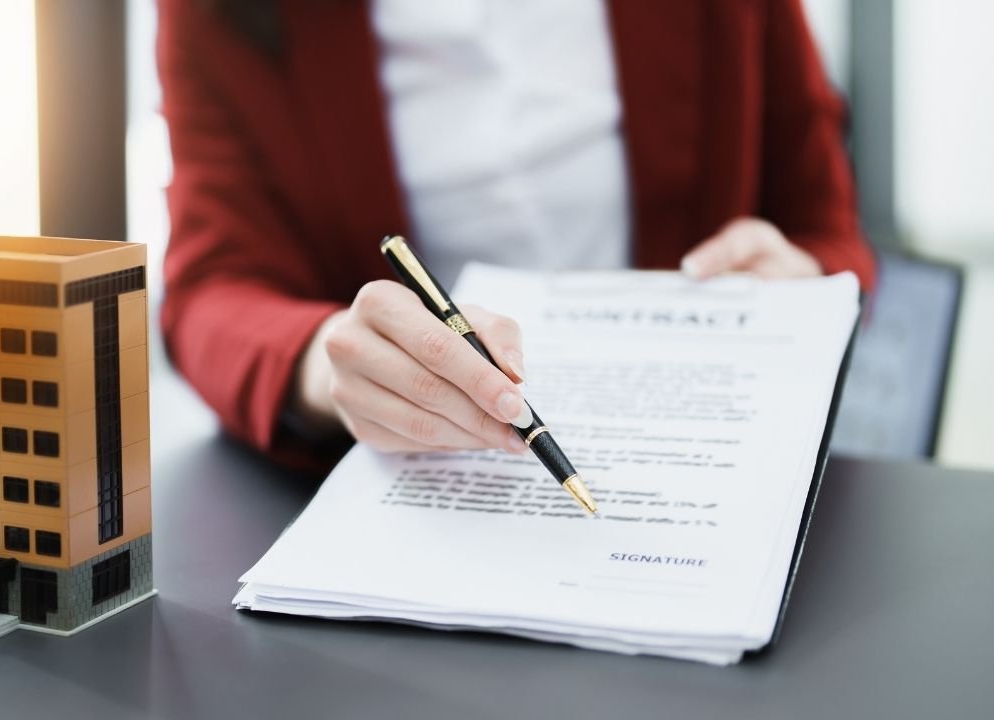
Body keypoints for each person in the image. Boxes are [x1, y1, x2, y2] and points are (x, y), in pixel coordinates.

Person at [156, 0, 877, 470]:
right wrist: (325, 359)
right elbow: (210, 290)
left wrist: (802, 285)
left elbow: (828, 230)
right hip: (414, 483)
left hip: (710, 446)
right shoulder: (220, 16)